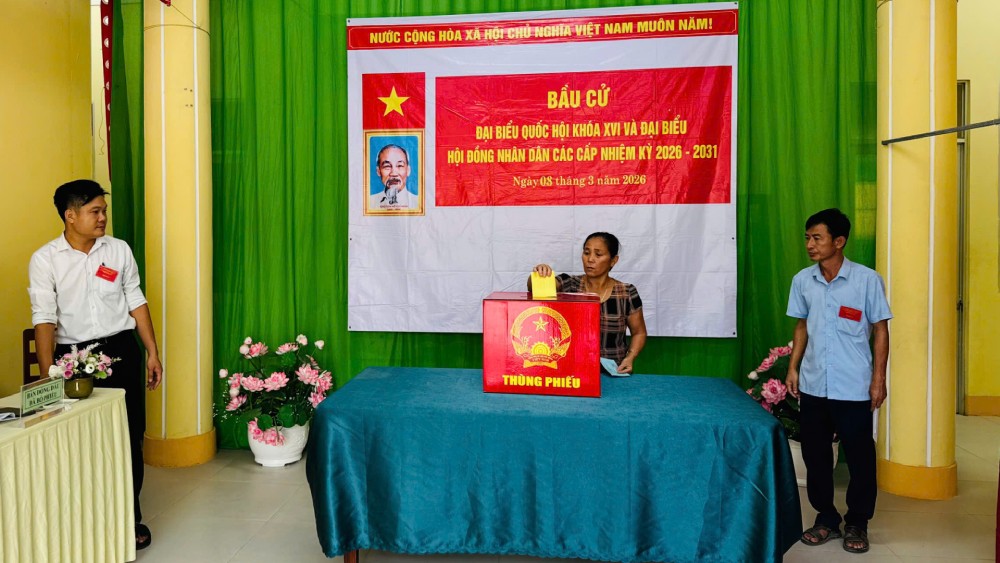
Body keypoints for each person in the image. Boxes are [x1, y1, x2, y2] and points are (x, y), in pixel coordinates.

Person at [28, 179, 163, 551]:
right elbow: (44, 318)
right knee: (78, 439)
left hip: (120, 350)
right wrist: (47, 376)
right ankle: (85, 516)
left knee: (128, 435)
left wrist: (151, 350)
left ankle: (128, 517)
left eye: (103, 210)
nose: (103, 217)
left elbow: (135, 299)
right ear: (70, 216)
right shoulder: (45, 259)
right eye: (95, 211)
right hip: (72, 359)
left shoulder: (117, 251)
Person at [785, 208, 891, 555]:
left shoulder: (866, 280)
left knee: (859, 456)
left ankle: (858, 520)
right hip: (815, 384)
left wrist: (878, 379)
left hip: (853, 385)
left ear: (839, 241)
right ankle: (826, 518)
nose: (810, 245)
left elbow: (880, 330)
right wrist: (793, 367)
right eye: (807, 238)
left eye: (817, 238)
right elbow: (801, 326)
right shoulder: (803, 280)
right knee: (816, 456)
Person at [529, 232, 647, 373]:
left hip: (613, 370)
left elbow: (639, 332)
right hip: (573, 372)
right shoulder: (570, 284)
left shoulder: (626, 292)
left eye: (598, 255)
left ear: (613, 260)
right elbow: (534, 288)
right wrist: (540, 274)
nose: (590, 259)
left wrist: (630, 357)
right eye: (586, 253)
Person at [369, 143, 417, 210]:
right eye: (387, 166)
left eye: (400, 165)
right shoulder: (369, 203)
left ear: (408, 170)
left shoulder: (418, 203)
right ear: (378, 171)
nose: (394, 173)